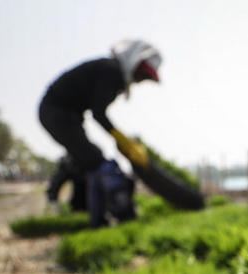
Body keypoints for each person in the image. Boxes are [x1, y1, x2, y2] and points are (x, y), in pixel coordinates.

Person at [38, 40, 159, 227]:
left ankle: (81, 209)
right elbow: (98, 113)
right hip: (57, 113)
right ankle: (106, 219)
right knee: (98, 163)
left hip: (65, 115)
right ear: (134, 64)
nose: (140, 80)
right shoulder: (111, 72)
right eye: (142, 75)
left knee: (88, 160)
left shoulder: (111, 72)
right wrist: (124, 140)